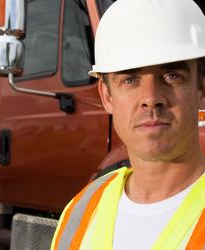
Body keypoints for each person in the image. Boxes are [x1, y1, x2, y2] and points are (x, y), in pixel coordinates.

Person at [51, 0, 205, 249]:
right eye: (131, 79)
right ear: (107, 96)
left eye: (171, 76)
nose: (151, 98)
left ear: (201, 88)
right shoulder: (81, 210)